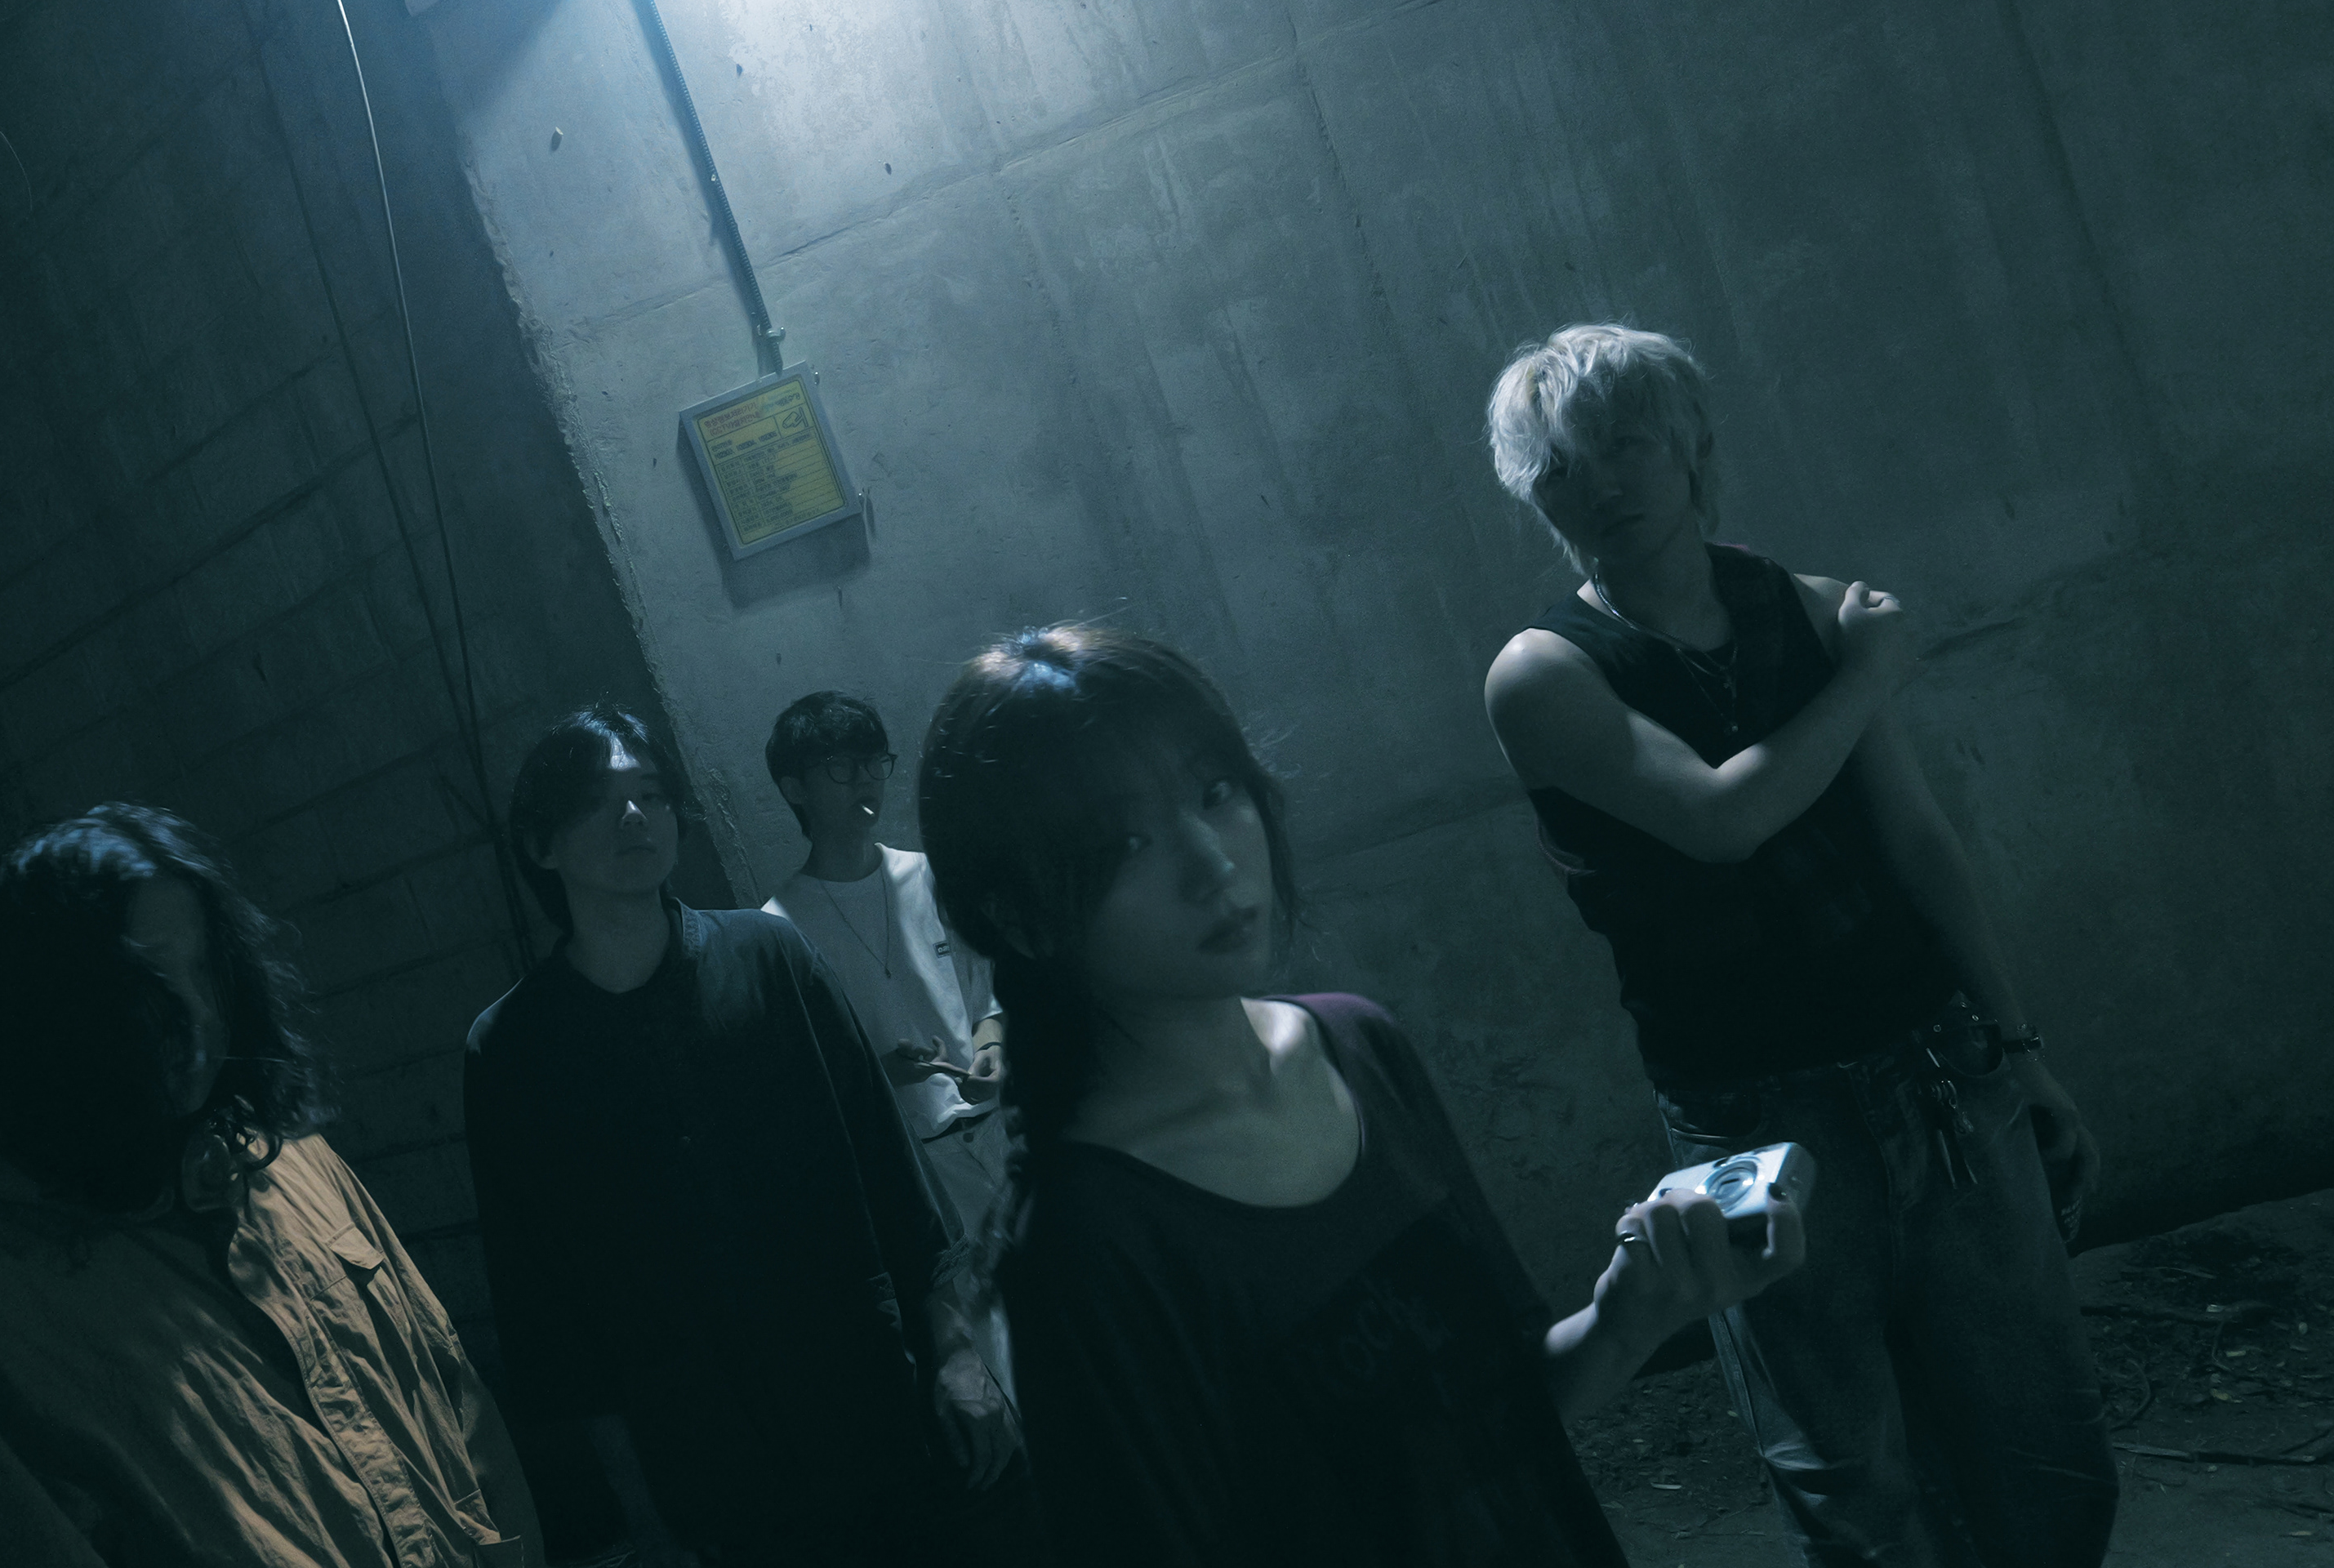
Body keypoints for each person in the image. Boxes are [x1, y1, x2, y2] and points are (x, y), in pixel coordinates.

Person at [920, 624, 1802, 1566]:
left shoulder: (1355, 1044)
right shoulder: (1084, 1243)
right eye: (1125, 841)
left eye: (1214, 793)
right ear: (1020, 916)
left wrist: (1630, 1316)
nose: (1212, 863)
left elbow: (1508, 1412)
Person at [1478, 323, 2116, 1565]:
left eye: (1623, 443)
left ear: (1691, 443)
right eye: (1558, 465)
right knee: (1850, 1480)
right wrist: (1871, 674)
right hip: (1753, 1115)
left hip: (1936, 1066)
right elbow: (1724, 821)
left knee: (2049, 1447)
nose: (1597, 480)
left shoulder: (1813, 614)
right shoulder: (1545, 673)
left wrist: (2018, 1047)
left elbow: (1917, 844)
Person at [0, 804, 542, 1567]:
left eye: (205, 969)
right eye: (144, 981)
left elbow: (459, 1404)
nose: (197, 1018)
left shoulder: (288, 1161)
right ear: (46, 1014)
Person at [462, 704, 1015, 1568]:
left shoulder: (768, 956)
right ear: (542, 845)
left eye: (652, 793)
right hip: (708, 1463)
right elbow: (546, 1305)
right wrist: (638, 1509)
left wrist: (956, 1352)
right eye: (599, 801)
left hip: (871, 1402)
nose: (635, 815)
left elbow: (885, 1164)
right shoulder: (513, 1050)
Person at [755, 692, 1016, 1396]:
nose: (866, 780)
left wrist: (992, 1047)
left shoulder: (928, 874)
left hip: (1003, 1135)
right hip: (920, 1173)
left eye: (874, 761)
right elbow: (803, 1087)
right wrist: (883, 1073)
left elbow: (989, 988)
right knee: (1001, 1363)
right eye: (842, 767)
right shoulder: (779, 929)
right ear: (794, 788)